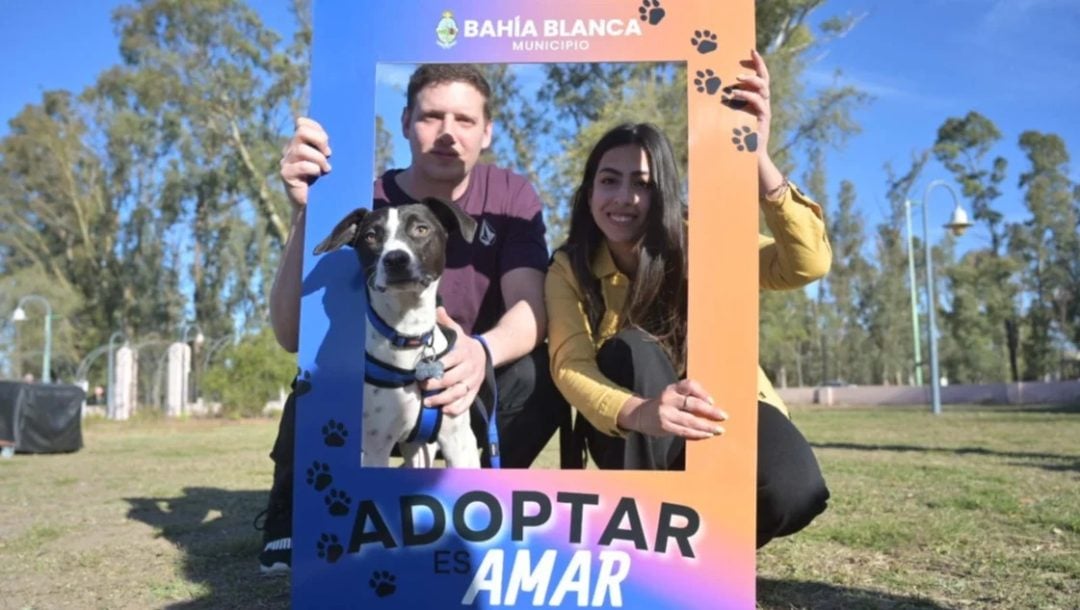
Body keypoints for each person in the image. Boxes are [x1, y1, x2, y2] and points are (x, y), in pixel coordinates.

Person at [257, 64, 570, 574]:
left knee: (539, 379)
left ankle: (467, 512)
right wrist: (303, 213)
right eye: (432, 116)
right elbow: (293, 333)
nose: (449, 132)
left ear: (487, 131)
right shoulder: (362, 198)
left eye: (465, 120)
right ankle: (294, 514)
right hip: (375, 373)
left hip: (467, 373)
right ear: (404, 122)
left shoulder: (512, 197)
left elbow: (531, 310)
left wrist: (479, 352)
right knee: (319, 372)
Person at [544, 50, 831, 547]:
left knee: (796, 492)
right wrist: (639, 411)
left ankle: (701, 555)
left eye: (643, 184)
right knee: (633, 350)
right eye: (608, 181)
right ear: (588, 192)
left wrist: (756, 156)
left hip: (724, 403)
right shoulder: (568, 267)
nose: (623, 198)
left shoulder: (703, 238)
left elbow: (805, 263)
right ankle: (651, 562)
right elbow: (570, 364)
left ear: (664, 193)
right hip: (631, 425)